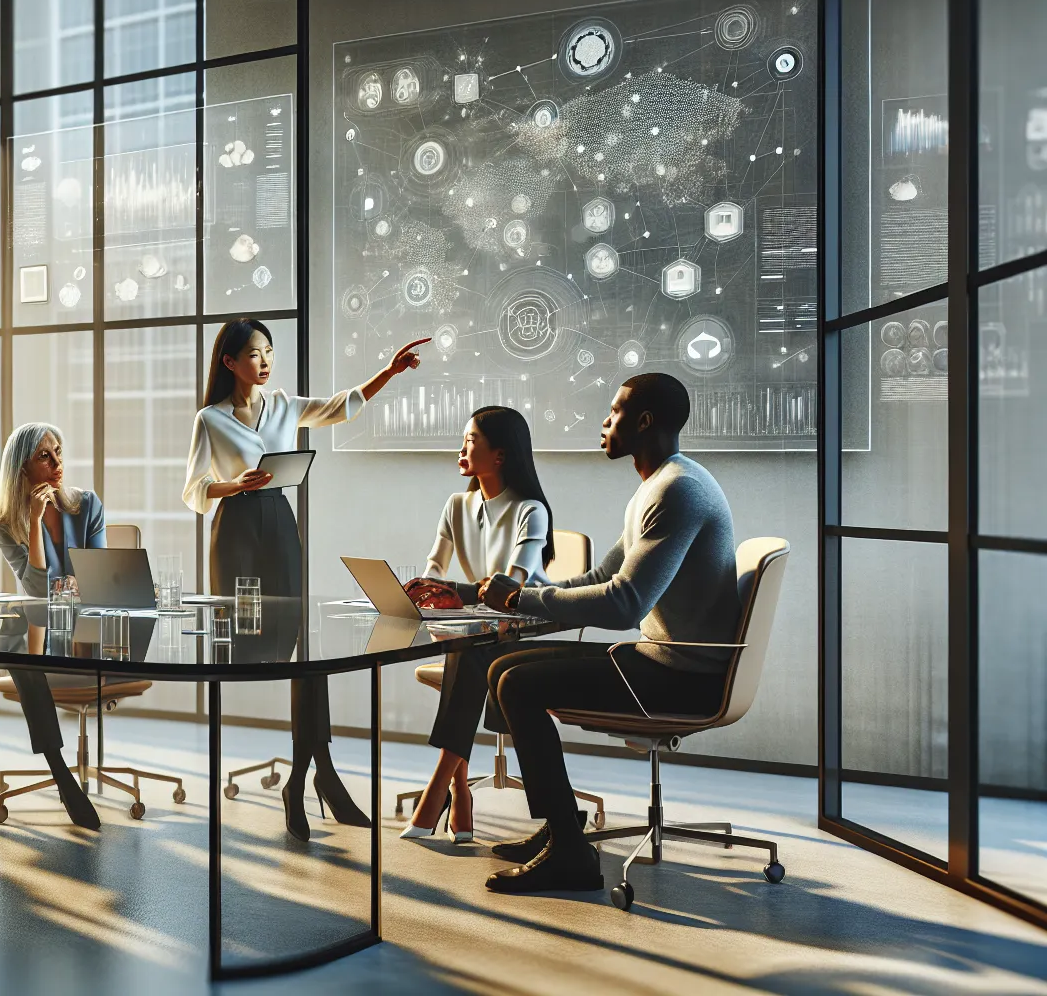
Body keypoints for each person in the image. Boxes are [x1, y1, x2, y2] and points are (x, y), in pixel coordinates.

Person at [477, 373, 742, 894]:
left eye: (614, 411)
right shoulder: (661, 484)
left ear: (644, 422)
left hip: (684, 675)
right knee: (503, 669)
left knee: (517, 685)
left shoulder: (678, 490)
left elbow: (625, 603)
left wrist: (519, 598)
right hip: (667, 659)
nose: (604, 422)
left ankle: (572, 859)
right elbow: (602, 578)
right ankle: (562, 825)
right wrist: (529, 599)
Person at [183, 318, 428, 841]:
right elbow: (193, 489)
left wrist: (389, 371)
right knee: (249, 644)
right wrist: (233, 485)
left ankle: (309, 778)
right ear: (229, 362)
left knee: (305, 651)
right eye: (254, 353)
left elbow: (341, 406)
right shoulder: (211, 418)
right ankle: (318, 779)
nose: (265, 361)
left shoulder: (284, 406)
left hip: (281, 523)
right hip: (237, 528)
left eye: (269, 351)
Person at [398, 406, 556, 843]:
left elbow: (512, 585)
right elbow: (434, 571)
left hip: (523, 627)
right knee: (465, 650)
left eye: (471, 441)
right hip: (475, 629)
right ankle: (458, 792)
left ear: (500, 455)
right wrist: (429, 597)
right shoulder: (456, 505)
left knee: (467, 653)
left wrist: (459, 594)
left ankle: (443, 789)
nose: (461, 448)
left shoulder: (530, 511)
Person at [0, 423, 106, 830]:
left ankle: (61, 774)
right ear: (22, 469)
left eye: (58, 452)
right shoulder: (2, 518)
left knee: (29, 660)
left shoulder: (86, 505)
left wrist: (77, 583)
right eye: (44, 456)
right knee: (19, 657)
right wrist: (35, 520)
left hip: (84, 633)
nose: (57, 464)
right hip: (33, 633)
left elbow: (99, 576)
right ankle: (60, 771)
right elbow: (36, 587)